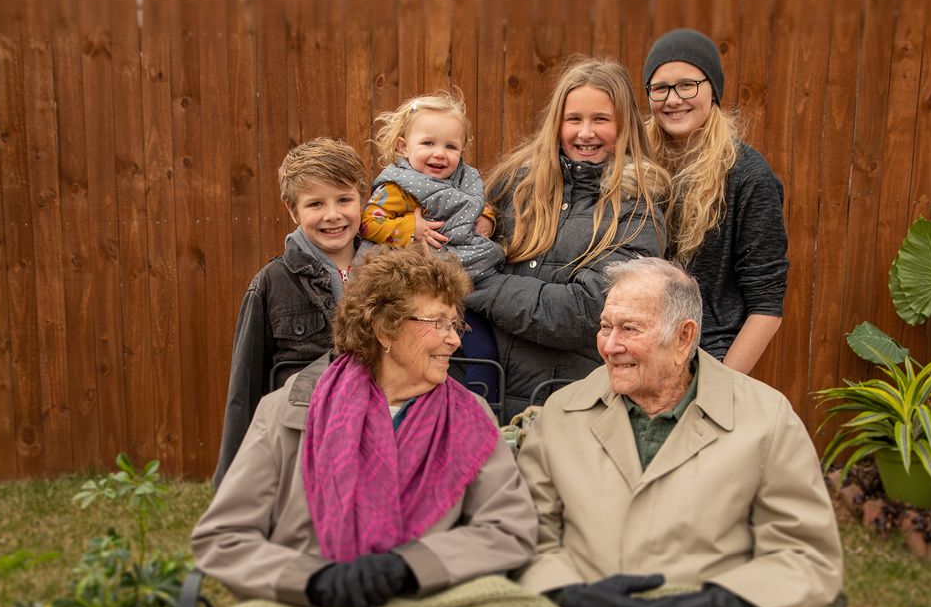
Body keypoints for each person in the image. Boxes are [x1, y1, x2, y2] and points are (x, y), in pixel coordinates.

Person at [192, 245, 537, 607]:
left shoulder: (470, 417)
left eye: (454, 324)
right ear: (384, 330)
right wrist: (311, 580)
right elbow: (225, 538)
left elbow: (508, 529)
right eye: (438, 323)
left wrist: (409, 566)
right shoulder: (291, 410)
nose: (454, 339)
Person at [517, 257, 843, 607]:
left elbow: (806, 552)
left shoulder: (765, 418)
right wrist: (566, 593)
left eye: (629, 329)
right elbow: (526, 534)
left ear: (683, 338)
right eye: (605, 326)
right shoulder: (563, 413)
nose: (609, 345)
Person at [468, 57, 669, 417]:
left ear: (624, 125)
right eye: (574, 119)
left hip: (567, 406)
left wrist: (475, 283)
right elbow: (457, 247)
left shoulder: (636, 211)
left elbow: (583, 313)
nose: (585, 133)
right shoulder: (515, 184)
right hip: (481, 392)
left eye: (601, 120)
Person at [213, 137, 367, 489]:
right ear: (293, 211)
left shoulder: (390, 271)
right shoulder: (272, 284)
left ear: (362, 199)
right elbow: (245, 388)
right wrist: (233, 486)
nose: (333, 215)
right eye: (315, 204)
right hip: (302, 448)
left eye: (344, 199)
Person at [644, 29, 789, 374]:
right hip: (631, 352)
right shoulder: (633, 162)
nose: (673, 99)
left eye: (687, 85)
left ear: (714, 91)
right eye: (660, 88)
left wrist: (722, 385)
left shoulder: (748, 176)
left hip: (704, 359)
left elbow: (766, 304)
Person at [360, 92, 504, 404]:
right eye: (428, 143)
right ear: (403, 146)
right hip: (420, 292)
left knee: (483, 354)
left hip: (470, 282)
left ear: (462, 151)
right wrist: (412, 229)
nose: (439, 154)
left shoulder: (465, 183)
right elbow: (369, 223)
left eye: (450, 146)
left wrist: (488, 221)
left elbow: (481, 207)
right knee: (422, 356)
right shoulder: (399, 188)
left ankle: (484, 412)